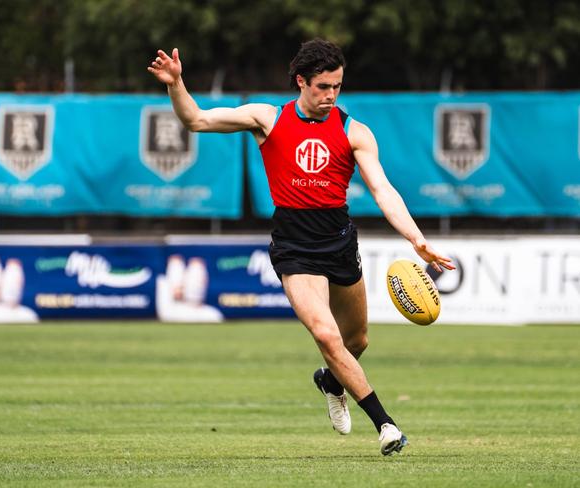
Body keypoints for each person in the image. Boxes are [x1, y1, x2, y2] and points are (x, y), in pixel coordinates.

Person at [148, 38, 455, 456]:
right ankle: (386, 425)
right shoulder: (267, 119)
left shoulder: (355, 132)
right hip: (294, 247)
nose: (331, 95)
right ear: (301, 82)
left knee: (356, 341)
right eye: (323, 87)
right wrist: (175, 84)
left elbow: (383, 190)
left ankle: (330, 382)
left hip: (340, 243)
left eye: (337, 87)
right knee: (328, 337)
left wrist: (417, 239)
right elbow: (197, 121)